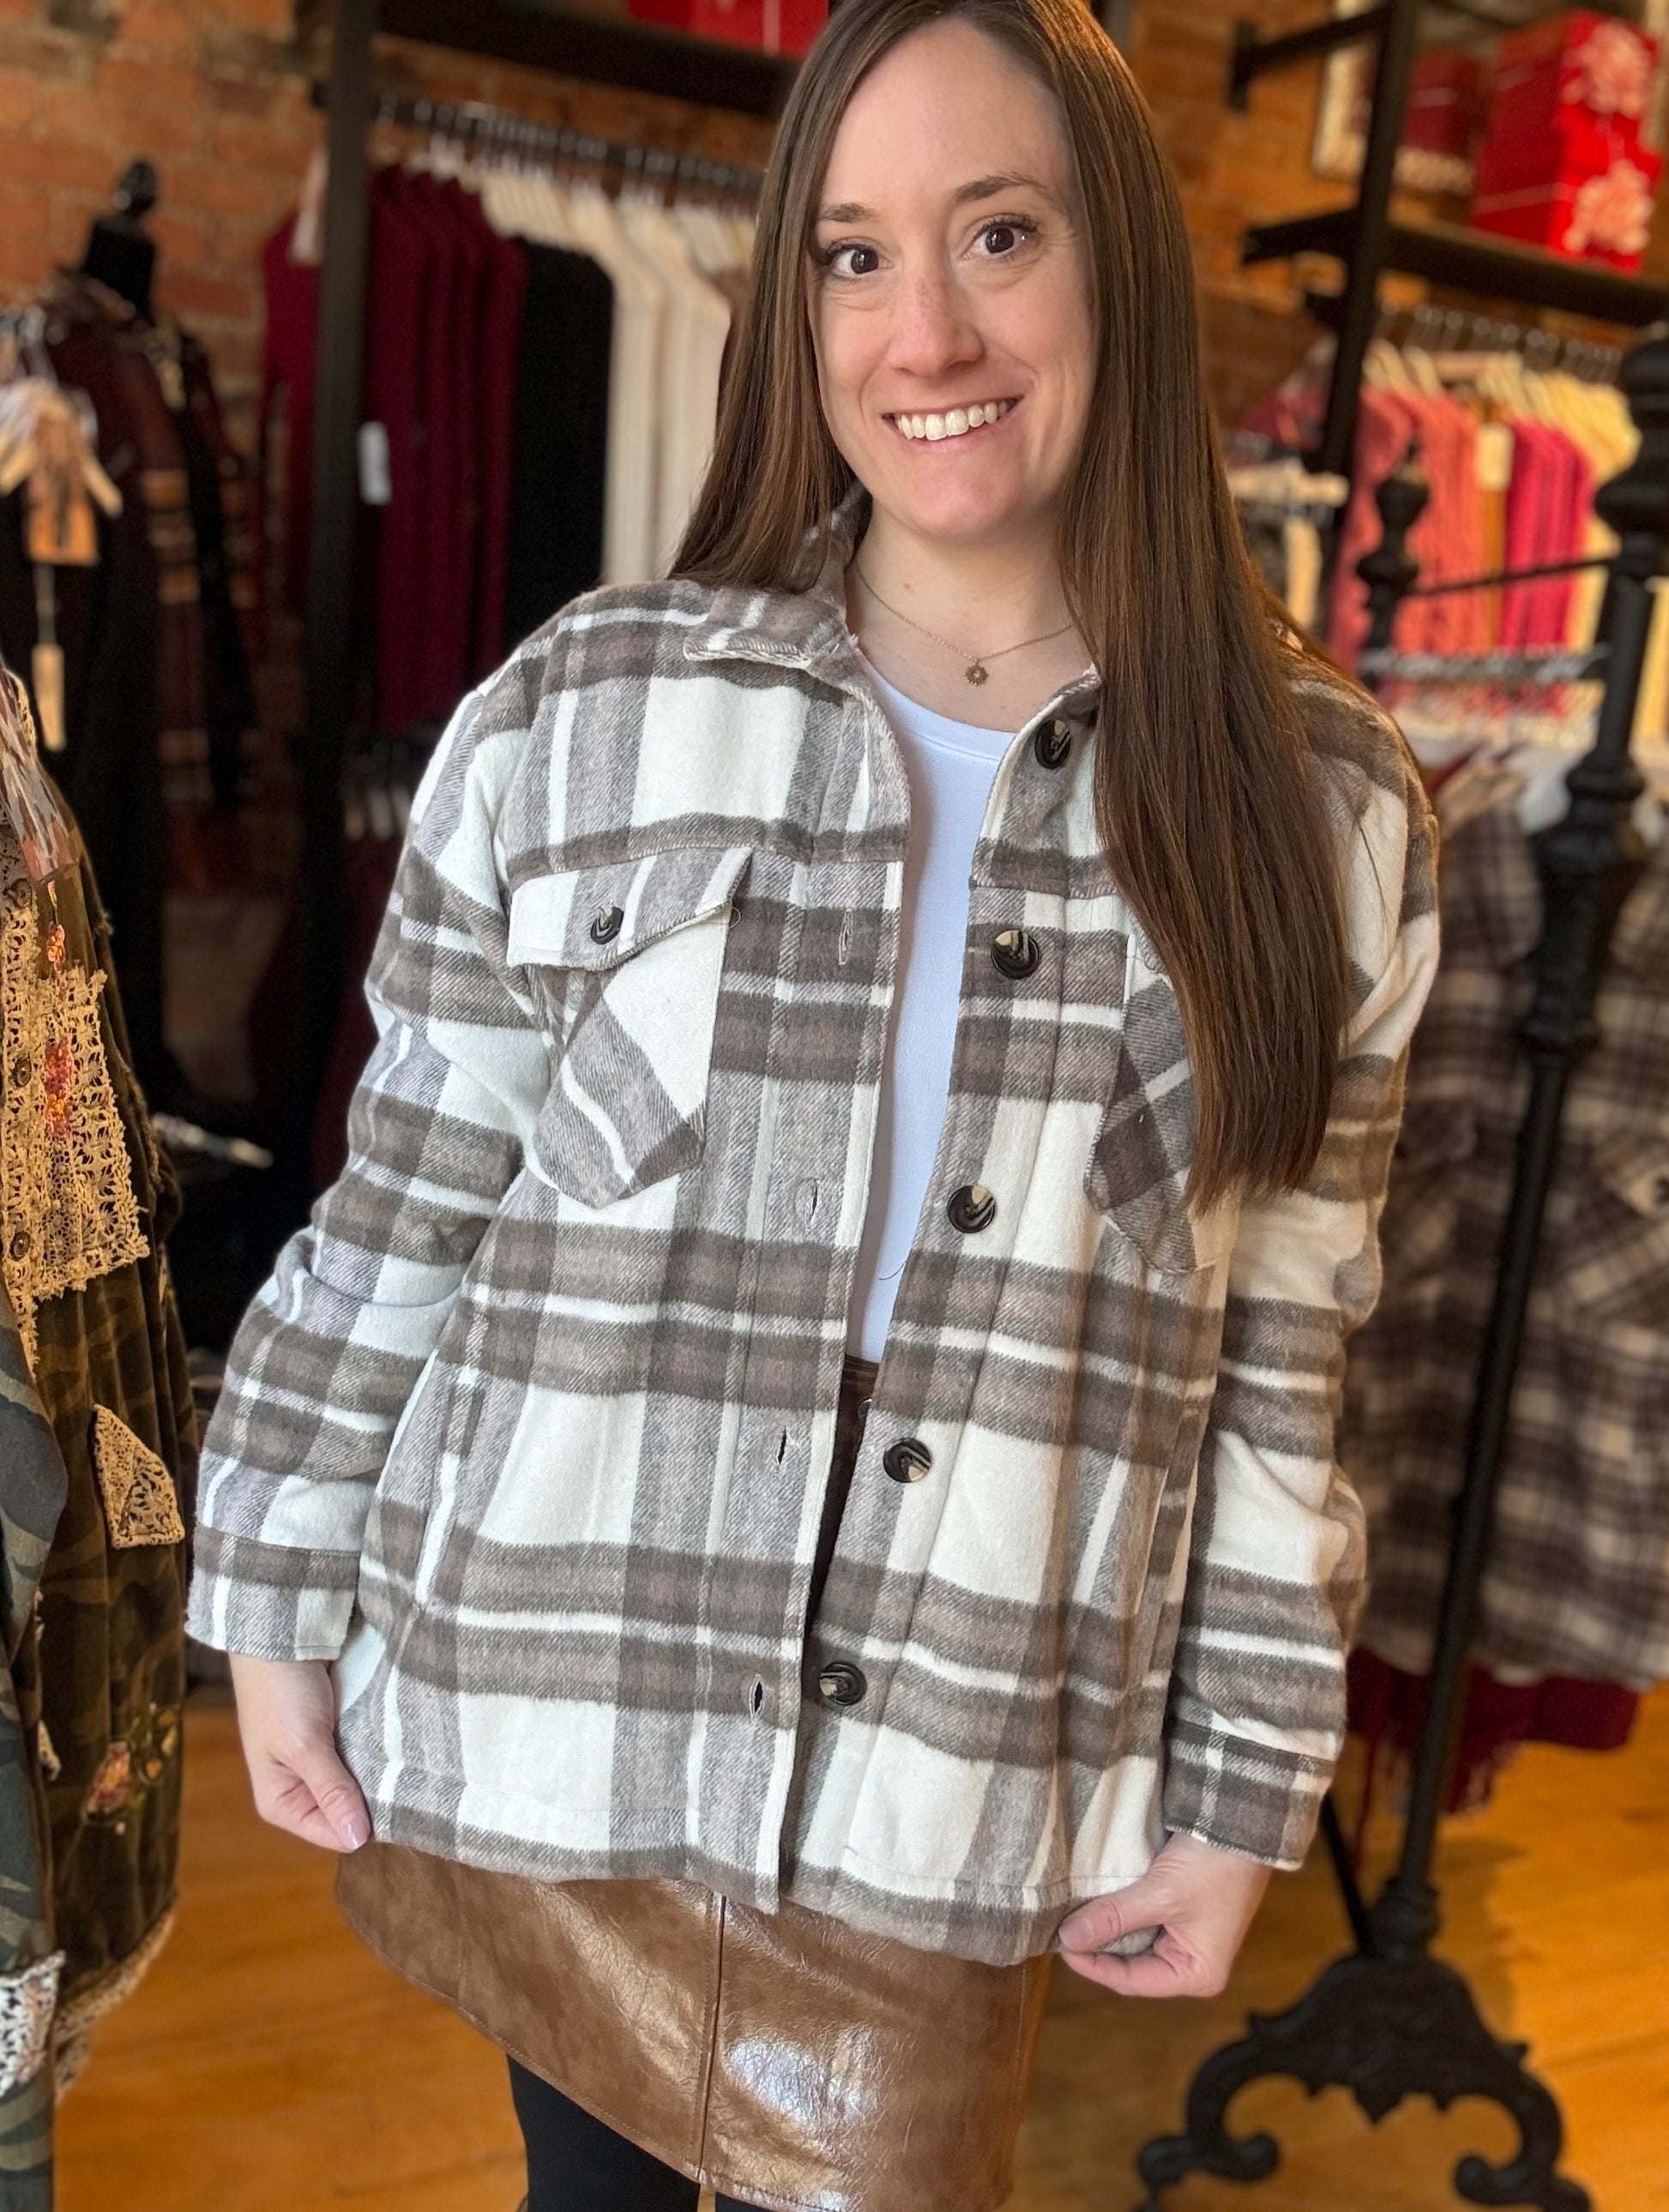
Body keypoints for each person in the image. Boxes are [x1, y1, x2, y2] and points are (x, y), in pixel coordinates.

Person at [188, 3, 1439, 2208]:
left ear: (1114, 264)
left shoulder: (1313, 804)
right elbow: (413, 1193)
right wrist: (277, 1581)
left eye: (998, 232)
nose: (926, 327)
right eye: (854, 255)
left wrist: (1244, 1781)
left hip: (947, 1755)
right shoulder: (590, 705)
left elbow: (1286, 1346)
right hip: (559, 1682)